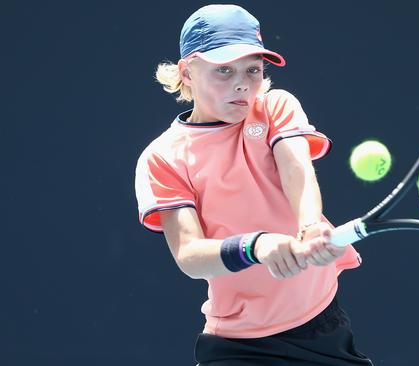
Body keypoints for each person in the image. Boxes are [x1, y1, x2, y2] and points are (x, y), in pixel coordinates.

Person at [134, 4, 373, 365]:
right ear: (187, 73)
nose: (242, 83)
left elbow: (298, 171)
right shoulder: (163, 156)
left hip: (322, 324)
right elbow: (189, 256)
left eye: (253, 70)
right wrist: (256, 246)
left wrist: (309, 226)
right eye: (223, 70)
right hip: (239, 347)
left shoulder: (276, 107)